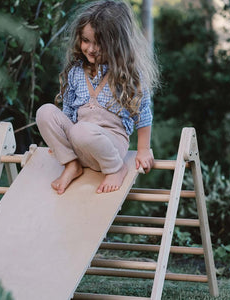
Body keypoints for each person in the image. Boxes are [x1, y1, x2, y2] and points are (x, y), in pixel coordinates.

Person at [36, 0, 159, 195]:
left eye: (99, 43)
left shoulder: (127, 74)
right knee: (45, 112)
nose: (91, 49)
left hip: (110, 146)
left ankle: (116, 169)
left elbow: (143, 113)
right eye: (86, 40)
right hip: (79, 145)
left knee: (82, 131)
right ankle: (71, 164)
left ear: (117, 43)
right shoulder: (75, 72)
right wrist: (59, 141)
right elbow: (68, 112)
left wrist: (144, 149)